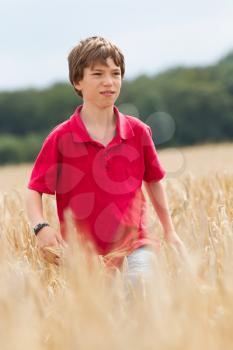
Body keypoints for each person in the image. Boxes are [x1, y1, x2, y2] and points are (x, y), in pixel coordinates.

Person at [25, 36, 188, 283]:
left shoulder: (138, 132)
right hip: (83, 255)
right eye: (98, 74)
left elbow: (154, 181)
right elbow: (34, 190)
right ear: (77, 81)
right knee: (103, 317)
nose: (109, 82)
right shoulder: (60, 138)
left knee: (139, 288)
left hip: (136, 243)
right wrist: (41, 228)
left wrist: (170, 231)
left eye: (115, 73)